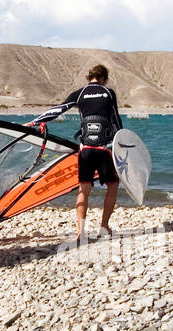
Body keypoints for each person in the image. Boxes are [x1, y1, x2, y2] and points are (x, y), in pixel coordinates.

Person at [29, 64, 123, 242]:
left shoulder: (79, 93)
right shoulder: (109, 93)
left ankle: (81, 232)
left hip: (86, 148)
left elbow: (58, 110)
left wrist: (35, 122)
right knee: (112, 185)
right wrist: (123, 144)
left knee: (84, 189)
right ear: (104, 78)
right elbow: (116, 120)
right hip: (104, 148)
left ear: (90, 77)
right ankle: (104, 227)